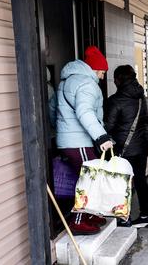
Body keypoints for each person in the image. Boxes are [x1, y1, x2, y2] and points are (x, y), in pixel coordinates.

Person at [54, 45, 114, 235]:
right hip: (78, 141)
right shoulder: (88, 84)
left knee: (86, 177)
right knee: (90, 179)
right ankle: (78, 221)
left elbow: (51, 109)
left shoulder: (65, 82)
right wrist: (101, 136)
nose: (103, 77)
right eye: (103, 72)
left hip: (67, 140)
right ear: (95, 69)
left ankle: (90, 214)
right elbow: (84, 111)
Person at [105, 65, 148, 228]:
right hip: (142, 147)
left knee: (121, 183)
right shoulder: (141, 96)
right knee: (140, 180)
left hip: (123, 150)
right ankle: (146, 215)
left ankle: (124, 218)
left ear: (118, 80)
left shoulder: (115, 100)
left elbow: (108, 127)